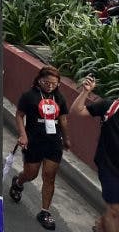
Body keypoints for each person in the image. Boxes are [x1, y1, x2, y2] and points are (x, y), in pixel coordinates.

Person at [10, 65, 70, 230]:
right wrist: (23, 135)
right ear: (39, 80)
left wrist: (66, 139)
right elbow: (19, 115)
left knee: (49, 177)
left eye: (54, 83)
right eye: (47, 82)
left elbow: (63, 120)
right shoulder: (30, 96)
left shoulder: (60, 98)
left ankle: (44, 212)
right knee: (31, 174)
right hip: (34, 141)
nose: (50, 86)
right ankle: (19, 181)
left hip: (53, 143)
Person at [70, 75, 119, 232]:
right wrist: (85, 92)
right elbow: (77, 111)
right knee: (115, 209)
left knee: (113, 214)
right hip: (109, 166)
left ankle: (101, 226)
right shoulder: (110, 107)